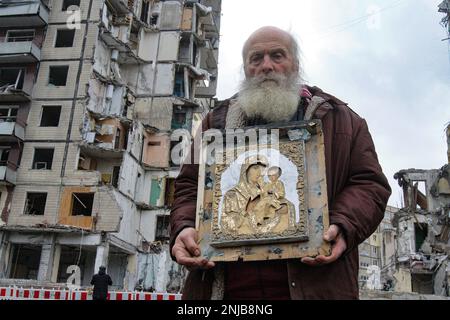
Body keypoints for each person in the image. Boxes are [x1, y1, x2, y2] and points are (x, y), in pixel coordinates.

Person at [170, 26, 391, 300]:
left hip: (315, 286)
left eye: (277, 55)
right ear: (246, 68)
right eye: (256, 58)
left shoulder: (341, 120)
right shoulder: (214, 123)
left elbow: (370, 185)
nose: (266, 66)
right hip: (225, 288)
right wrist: (184, 228)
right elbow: (189, 187)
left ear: (295, 64)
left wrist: (343, 225)